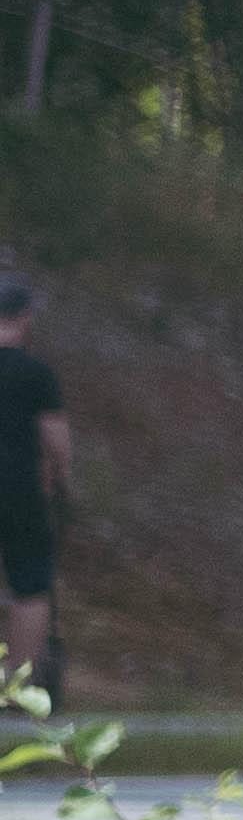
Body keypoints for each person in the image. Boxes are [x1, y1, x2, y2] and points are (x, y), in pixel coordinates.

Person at [0, 271, 64, 697]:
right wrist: (60, 485)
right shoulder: (37, 374)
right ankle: (17, 690)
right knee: (31, 588)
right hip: (20, 491)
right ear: (24, 317)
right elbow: (57, 443)